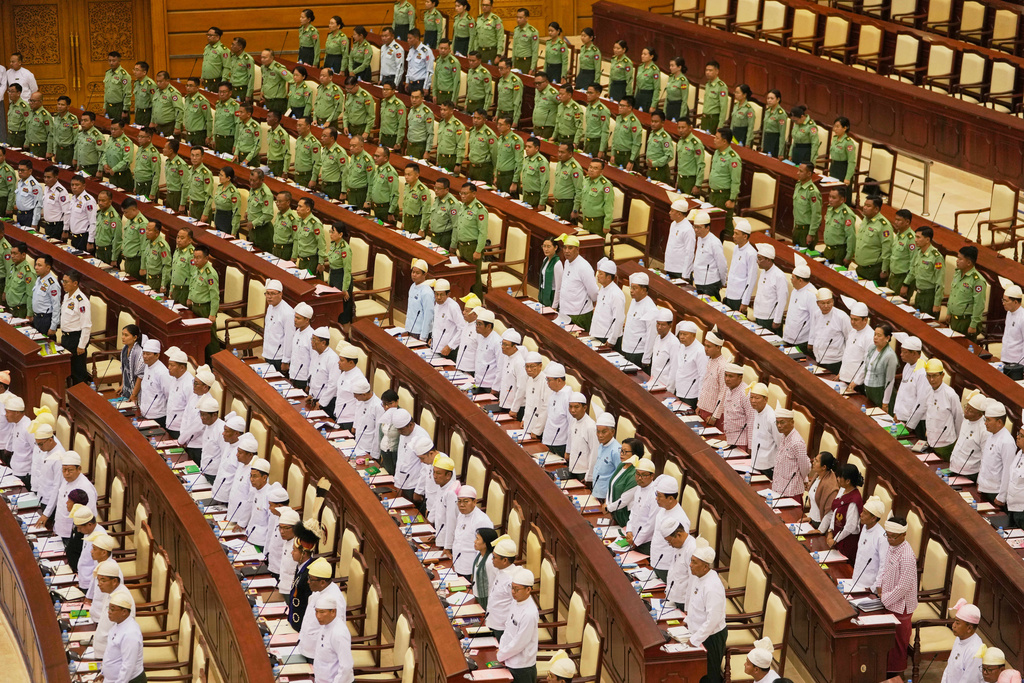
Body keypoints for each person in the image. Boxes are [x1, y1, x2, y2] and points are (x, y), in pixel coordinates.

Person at [878, 516, 918, 678]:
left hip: (901, 606)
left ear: (904, 535)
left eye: (893, 537)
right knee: (887, 641)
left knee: (898, 644)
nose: (890, 539)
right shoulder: (892, 546)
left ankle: (896, 676)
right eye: (887, 535)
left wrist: (885, 599)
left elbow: (903, 587)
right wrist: (879, 586)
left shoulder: (907, 556)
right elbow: (885, 567)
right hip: (887, 600)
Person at [683, 539, 727, 683]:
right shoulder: (699, 576)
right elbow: (694, 604)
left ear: (705, 567)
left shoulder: (712, 587)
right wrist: (687, 621)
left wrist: (695, 640)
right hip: (698, 632)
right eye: (691, 561)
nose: (690, 565)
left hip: (711, 636)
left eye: (695, 562)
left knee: (710, 675)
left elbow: (712, 620)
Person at [911, 359, 962, 457]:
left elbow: (958, 418)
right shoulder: (928, 391)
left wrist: (958, 442)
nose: (932, 380)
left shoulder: (950, 395)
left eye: (934, 376)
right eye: (929, 376)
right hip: (930, 441)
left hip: (946, 443)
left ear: (942, 375)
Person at [497, 567, 540, 683]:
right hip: (508, 658)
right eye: (512, 588)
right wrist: (502, 649)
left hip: (522, 666)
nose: (513, 592)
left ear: (528, 590)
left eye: (517, 589)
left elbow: (520, 642)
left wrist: (501, 655)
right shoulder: (515, 602)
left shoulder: (530, 613)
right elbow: (508, 628)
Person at [650, 475, 690, 579]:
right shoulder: (663, 509)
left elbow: (681, 548)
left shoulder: (680, 519)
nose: (656, 498)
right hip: (656, 561)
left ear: (670, 498)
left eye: (659, 496)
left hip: (667, 567)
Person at [101, 591, 145, 683]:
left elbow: (128, 666)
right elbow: (111, 653)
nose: (109, 612)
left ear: (124, 612)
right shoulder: (118, 624)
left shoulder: (131, 633)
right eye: (109, 609)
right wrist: (104, 673)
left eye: (112, 610)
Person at [825, 463, 864, 564]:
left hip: (847, 544)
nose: (837, 478)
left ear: (848, 481)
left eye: (840, 477)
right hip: (836, 539)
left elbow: (850, 526)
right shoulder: (843, 491)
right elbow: (835, 513)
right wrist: (830, 533)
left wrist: (835, 539)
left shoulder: (854, 500)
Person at [900, 226, 944, 316]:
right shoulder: (919, 252)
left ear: (927, 240)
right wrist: (905, 284)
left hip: (929, 296)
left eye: (918, 237)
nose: (915, 240)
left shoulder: (936, 257)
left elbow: (940, 282)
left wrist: (936, 304)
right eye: (915, 237)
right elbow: (913, 270)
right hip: (918, 294)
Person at [187, 245, 221, 359]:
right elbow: (192, 285)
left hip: (205, 309)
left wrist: (212, 314)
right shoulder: (196, 269)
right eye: (194, 257)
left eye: (198, 258)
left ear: (206, 258)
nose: (195, 260)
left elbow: (215, 296)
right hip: (195, 307)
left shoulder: (210, 273)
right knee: (199, 337)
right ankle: (202, 360)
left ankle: (214, 363)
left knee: (210, 339)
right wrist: (190, 297)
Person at [557, 235, 598, 329]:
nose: (566, 251)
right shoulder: (567, 262)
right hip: (565, 311)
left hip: (579, 314)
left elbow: (594, 292)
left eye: (570, 248)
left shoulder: (584, 267)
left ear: (577, 250)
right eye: (565, 247)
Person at [451, 485, 493, 577]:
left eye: (466, 501)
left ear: (474, 502)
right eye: (459, 501)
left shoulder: (482, 520)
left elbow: (484, 549)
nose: (461, 505)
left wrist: (476, 571)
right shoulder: (462, 514)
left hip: (471, 568)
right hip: (457, 563)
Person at [59, 271, 92, 385]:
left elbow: (86, 325)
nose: (63, 284)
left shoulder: (81, 301)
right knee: (69, 370)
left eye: (66, 282)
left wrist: (81, 345)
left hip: (76, 339)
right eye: (63, 281)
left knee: (78, 372)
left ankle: (82, 396)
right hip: (66, 338)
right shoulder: (66, 296)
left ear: (75, 283)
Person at [947, 246, 987, 337]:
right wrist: (949, 312)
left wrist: (973, 325)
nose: (957, 261)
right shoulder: (958, 273)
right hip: (954, 319)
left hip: (966, 322)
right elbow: (953, 294)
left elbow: (979, 305)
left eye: (960, 259)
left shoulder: (977, 280)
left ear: (969, 262)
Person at [808, 288, 850, 375]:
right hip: (819, 358)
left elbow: (849, 338)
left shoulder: (841, 316)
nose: (826, 306)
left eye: (829, 302)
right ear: (817, 303)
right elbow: (814, 331)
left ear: (833, 302)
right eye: (823, 303)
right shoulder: (816, 314)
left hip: (835, 361)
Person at [980, 401, 1015, 504]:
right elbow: (985, 461)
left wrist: (1002, 496)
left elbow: (1007, 471)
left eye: (988, 420)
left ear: (999, 422)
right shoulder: (991, 435)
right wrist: (980, 482)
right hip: (984, 488)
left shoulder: (1007, 442)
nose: (985, 423)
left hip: (995, 493)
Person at [485, 535, 519, 638]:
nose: (492, 559)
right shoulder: (501, 570)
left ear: (505, 560)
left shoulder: (512, 580)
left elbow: (517, 607)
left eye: (494, 557)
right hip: (493, 621)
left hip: (503, 628)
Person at [949, 391, 988, 480]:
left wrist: (980, 480)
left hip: (969, 474)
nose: (966, 411)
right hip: (954, 467)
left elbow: (985, 458)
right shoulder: (966, 419)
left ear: (980, 414)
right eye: (967, 407)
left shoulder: (984, 430)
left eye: (970, 411)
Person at [853, 195, 893, 282]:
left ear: (876, 209)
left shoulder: (883, 225)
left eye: (868, 206)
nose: (864, 208)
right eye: (864, 204)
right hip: (860, 267)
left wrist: (884, 270)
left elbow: (887, 250)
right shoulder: (866, 219)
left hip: (873, 270)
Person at [852, 496, 888, 591]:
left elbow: (884, 567)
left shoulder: (881, 537)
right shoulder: (864, 527)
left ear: (873, 518)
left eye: (865, 513)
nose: (861, 514)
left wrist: (872, 589)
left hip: (868, 588)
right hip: (855, 582)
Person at [772, 408, 809, 499]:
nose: (779, 426)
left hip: (792, 491)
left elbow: (805, 467)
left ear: (792, 422)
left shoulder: (797, 442)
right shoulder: (784, 436)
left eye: (782, 422)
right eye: (777, 422)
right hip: (779, 487)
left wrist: (802, 479)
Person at [621, 272, 656, 367]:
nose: (631, 291)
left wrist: (646, 358)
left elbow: (651, 335)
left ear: (644, 290)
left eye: (635, 288)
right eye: (631, 288)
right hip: (626, 348)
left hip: (638, 353)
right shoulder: (634, 301)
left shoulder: (650, 308)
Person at [816, 186, 857, 264]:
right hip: (828, 249)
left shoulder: (846, 215)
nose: (830, 200)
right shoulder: (830, 208)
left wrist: (848, 256)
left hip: (839, 252)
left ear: (842, 200)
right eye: (830, 196)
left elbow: (851, 237)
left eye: (833, 198)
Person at [723, 220, 758, 312]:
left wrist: (745, 302)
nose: (733, 236)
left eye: (736, 234)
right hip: (730, 293)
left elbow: (751, 280)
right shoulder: (736, 248)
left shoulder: (751, 254)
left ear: (745, 236)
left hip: (739, 297)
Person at [862, 323, 898, 411]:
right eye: (875, 334)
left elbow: (890, 380)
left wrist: (885, 403)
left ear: (887, 338)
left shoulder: (890, 355)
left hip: (880, 393)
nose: (875, 337)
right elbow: (865, 367)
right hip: (869, 390)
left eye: (879, 335)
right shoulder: (872, 348)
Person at [752, 244, 788, 332]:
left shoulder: (779, 276)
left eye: (760, 259)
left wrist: (777, 320)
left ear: (768, 260)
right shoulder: (763, 272)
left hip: (770, 319)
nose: (757, 261)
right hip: (759, 314)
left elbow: (782, 299)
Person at [692, 210, 727, 298]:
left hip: (710, 283)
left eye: (699, 227)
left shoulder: (714, 242)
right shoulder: (700, 238)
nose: (696, 230)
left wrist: (722, 282)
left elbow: (722, 264)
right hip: (699, 280)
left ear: (707, 228)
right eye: (695, 227)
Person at [262, 279, 294, 372]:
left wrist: (286, 360)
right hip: (268, 353)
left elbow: (289, 338)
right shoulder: (270, 307)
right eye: (267, 293)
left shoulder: (288, 313)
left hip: (279, 357)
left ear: (280, 294)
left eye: (272, 294)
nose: (269, 297)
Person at [137, 338, 171, 426]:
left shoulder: (162, 372)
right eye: (144, 353)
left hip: (158, 416)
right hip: (145, 413)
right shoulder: (147, 366)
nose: (145, 356)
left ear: (157, 355)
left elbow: (169, 395)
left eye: (148, 354)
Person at [592, 258, 625, 346]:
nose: (597, 276)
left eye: (600, 273)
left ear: (609, 277)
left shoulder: (616, 294)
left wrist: (611, 340)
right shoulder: (603, 288)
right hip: (598, 334)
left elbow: (618, 319)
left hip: (608, 338)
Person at [838, 301, 872, 386]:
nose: (852, 322)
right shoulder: (853, 331)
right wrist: (841, 373)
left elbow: (867, 363)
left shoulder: (870, 336)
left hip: (857, 382)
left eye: (856, 320)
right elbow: (848, 354)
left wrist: (855, 383)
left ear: (865, 320)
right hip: (845, 377)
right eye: (851, 319)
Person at [802, 452, 838, 531]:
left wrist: (820, 530)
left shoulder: (829, 485)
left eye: (817, 461)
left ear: (824, 467)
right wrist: (810, 518)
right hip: (812, 520)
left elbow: (830, 512)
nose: (813, 462)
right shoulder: (817, 475)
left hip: (820, 525)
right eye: (814, 459)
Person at [605, 442, 640, 525]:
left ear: (635, 454)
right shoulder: (622, 465)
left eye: (625, 451)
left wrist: (608, 508)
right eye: (621, 451)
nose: (621, 454)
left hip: (624, 516)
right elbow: (611, 484)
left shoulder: (635, 474)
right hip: (613, 511)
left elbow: (624, 501)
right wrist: (607, 504)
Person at [673, 321, 707, 407]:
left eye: (685, 334)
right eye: (680, 334)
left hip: (691, 394)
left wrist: (700, 398)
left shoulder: (700, 351)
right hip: (679, 390)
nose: (682, 337)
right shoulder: (682, 346)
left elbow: (702, 376)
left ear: (694, 335)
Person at [748, 383, 779, 477]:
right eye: (751, 397)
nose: (753, 401)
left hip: (768, 467)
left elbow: (780, 443)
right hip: (755, 463)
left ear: (766, 399)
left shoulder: (772, 418)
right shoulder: (756, 411)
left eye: (757, 398)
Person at [696, 330, 727, 423]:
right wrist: (700, 405)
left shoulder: (723, 366)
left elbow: (723, 393)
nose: (705, 348)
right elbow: (706, 385)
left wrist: (714, 417)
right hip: (704, 409)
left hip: (714, 414)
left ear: (718, 347)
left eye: (708, 346)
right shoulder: (710, 360)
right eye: (705, 345)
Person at [566, 392, 598, 481]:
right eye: (570, 406)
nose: (572, 410)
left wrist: (589, 476)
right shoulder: (574, 420)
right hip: (573, 467)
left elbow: (594, 452)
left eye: (576, 407)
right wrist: (567, 451)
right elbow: (571, 438)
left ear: (584, 408)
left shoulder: (591, 426)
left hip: (584, 472)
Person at [720, 364, 754, 448]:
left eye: (731, 376)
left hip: (741, 441)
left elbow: (752, 421)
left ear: (740, 378)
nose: (727, 379)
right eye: (726, 375)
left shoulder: (746, 394)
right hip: (729, 437)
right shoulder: (729, 388)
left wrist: (750, 447)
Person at [542, 363, 572, 456]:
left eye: (549, 380)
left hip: (560, 445)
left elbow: (572, 425)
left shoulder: (569, 397)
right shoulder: (554, 393)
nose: (547, 383)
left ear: (559, 380)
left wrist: (569, 450)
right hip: (548, 441)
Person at [997, 426, 1024, 527]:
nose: (1017, 437)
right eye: (1018, 434)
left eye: (1021, 436)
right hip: (1012, 507)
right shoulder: (1019, 453)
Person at [429, 279, 462, 361]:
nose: (438, 297)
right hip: (436, 346)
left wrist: (450, 346)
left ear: (448, 294)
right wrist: (433, 338)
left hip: (449, 350)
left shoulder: (453, 307)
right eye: (436, 294)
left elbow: (462, 328)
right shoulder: (436, 304)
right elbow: (437, 325)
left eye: (441, 295)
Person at [496, 330, 527, 416]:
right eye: (502, 344)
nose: (502, 347)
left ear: (515, 347)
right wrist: (501, 399)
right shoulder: (507, 356)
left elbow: (522, 388)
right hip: (505, 403)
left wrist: (514, 409)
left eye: (506, 345)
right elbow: (505, 380)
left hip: (515, 409)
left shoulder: (519, 363)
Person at [607, 97, 643, 171]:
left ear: (630, 108)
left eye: (623, 106)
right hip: (617, 155)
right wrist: (613, 153)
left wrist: (631, 160)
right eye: (619, 105)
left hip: (627, 156)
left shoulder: (634, 122)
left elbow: (636, 143)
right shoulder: (619, 118)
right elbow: (615, 137)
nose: (620, 108)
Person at [648, 308, 679, 392]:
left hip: (665, 387)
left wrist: (669, 390)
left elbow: (674, 369)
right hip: (653, 382)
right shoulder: (657, 338)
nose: (659, 327)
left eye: (663, 325)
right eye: (658, 324)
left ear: (670, 325)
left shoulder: (674, 343)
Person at [886, 209, 917, 293]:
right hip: (893, 276)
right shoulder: (899, 234)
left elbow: (913, 263)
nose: (895, 222)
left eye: (899, 220)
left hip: (902, 278)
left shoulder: (912, 239)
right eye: (895, 219)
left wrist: (906, 284)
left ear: (907, 222)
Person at [29, 255, 60, 338]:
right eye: (36, 264)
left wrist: (53, 327)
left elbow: (56, 306)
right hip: (37, 318)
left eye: (39, 265)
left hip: (45, 320)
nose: (36, 267)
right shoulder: (39, 279)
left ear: (48, 268)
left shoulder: (52, 284)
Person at [473, 308, 502, 393]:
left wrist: (495, 388)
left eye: (479, 324)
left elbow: (500, 367)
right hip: (478, 382)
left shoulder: (497, 342)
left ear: (488, 326)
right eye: (476, 323)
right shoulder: (480, 337)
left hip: (490, 386)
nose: (476, 326)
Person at [792, 163, 822, 247]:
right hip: (797, 228)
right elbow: (796, 209)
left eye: (801, 171)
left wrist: (811, 234)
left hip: (806, 231)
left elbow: (816, 215)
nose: (798, 173)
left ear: (809, 174)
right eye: (798, 170)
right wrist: (794, 226)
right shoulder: (798, 186)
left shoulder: (813, 192)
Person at [521, 352, 549, 440]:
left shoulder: (546, 381)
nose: (529, 369)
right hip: (528, 424)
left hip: (539, 429)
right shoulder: (529, 379)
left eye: (532, 366)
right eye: (527, 366)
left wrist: (537, 430)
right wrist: (524, 419)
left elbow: (546, 408)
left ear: (540, 366)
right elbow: (528, 403)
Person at [140, 220, 172, 293]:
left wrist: (163, 285)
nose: (146, 232)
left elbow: (166, 266)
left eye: (149, 230)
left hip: (158, 280)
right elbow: (145, 256)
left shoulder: (162, 246)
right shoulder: (148, 241)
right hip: (149, 278)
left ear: (157, 233)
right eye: (146, 229)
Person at [583, 84, 612, 158]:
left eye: (591, 93)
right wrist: (585, 143)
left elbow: (605, 131)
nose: (588, 95)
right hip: (589, 142)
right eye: (587, 92)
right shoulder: (589, 106)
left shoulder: (603, 110)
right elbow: (588, 127)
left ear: (598, 94)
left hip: (597, 143)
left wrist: (601, 150)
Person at [701, 60, 728, 133]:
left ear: (717, 71)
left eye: (710, 70)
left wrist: (720, 125)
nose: (707, 72)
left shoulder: (721, 87)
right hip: (704, 118)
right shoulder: (707, 84)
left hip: (713, 120)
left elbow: (723, 107)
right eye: (706, 70)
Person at [1000, 286, 1024, 366]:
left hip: (1017, 363)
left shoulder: (1022, 317)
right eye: (1003, 300)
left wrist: (1021, 366)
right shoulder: (1009, 312)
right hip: (1005, 359)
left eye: (1006, 301)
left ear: (1015, 302)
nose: (1003, 303)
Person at [511, 8, 540, 73]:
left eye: (520, 18)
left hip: (526, 62)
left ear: (526, 18)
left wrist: (532, 68)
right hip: (516, 61)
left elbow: (535, 51)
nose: (518, 20)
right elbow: (514, 47)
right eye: (517, 17)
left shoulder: (533, 32)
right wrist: (513, 63)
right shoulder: (516, 30)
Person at [664, 57, 691, 122]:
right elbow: (667, 96)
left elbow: (684, 100)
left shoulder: (683, 81)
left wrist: (682, 117)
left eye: (672, 66)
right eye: (670, 65)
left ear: (679, 67)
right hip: (669, 107)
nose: (670, 67)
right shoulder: (671, 77)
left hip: (678, 108)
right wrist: (664, 111)